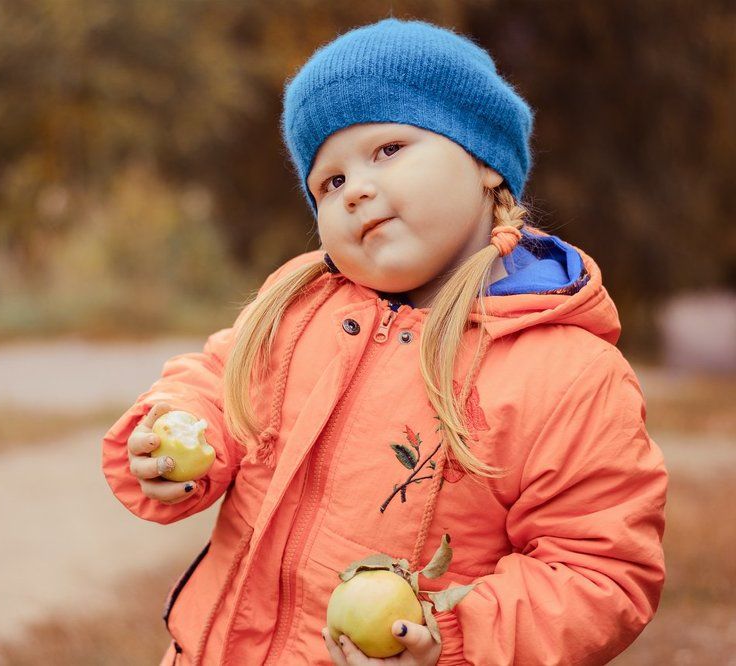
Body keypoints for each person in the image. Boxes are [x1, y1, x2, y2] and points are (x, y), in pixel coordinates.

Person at [102, 18, 667, 666]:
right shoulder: (301, 305)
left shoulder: (567, 374)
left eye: (388, 149)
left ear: (484, 162)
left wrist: (445, 637)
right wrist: (177, 431)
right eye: (329, 183)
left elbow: (598, 575)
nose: (357, 190)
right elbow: (219, 384)